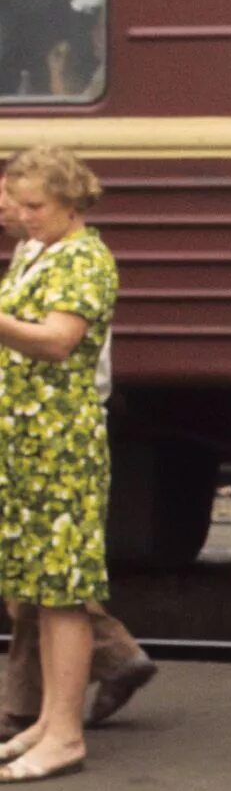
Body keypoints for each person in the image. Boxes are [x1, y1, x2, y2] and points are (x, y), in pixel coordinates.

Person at [0, 175, 155, 744]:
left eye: (29, 202)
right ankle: (45, 713)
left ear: (68, 202)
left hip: (56, 434)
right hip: (22, 433)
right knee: (31, 579)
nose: (13, 209)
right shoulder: (30, 252)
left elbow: (58, 341)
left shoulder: (83, 260)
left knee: (49, 582)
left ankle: (44, 715)